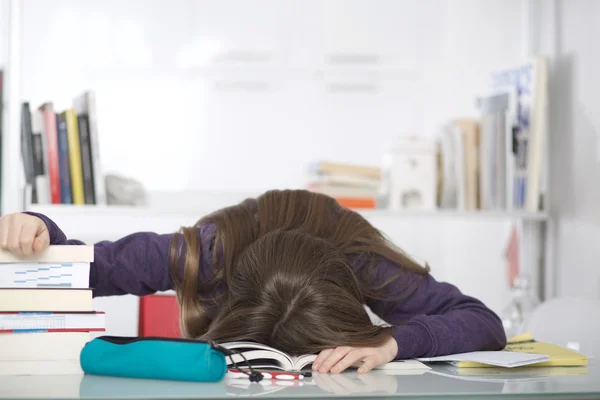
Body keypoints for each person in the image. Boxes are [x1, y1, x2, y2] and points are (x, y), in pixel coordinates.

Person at [0, 189, 506, 374]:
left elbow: (482, 321)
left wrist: (392, 344)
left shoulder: (360, 262)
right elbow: (88, 267)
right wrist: (37, 228)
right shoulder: (205, 253)